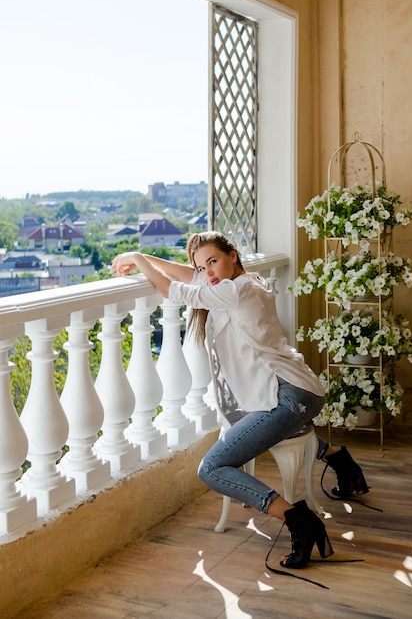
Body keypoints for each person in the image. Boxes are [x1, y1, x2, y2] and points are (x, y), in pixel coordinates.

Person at [111, 231, 365, 569]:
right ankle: (340, 461)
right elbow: (190, 277)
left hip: (288, 395)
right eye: (202, 267)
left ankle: (297, 519)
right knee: (260, 427)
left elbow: (174, 289)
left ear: (233, 254)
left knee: (212, 467)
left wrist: (138, 259)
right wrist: (147, 256)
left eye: (213, 261)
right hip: (297, 389)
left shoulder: (236, 290)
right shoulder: (242, 282)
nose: (208, 272)